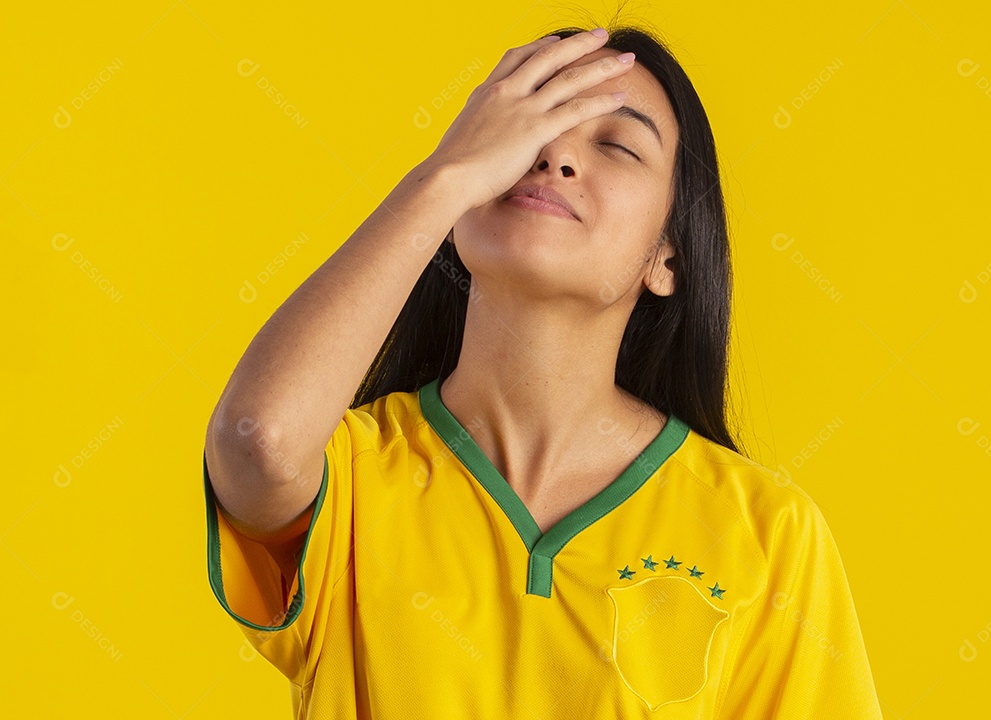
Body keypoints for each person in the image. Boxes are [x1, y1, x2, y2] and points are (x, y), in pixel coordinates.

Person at [202, 20, 884, 719]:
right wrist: (446, 176)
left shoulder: (766, 534)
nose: (554, 154)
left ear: (668, 259)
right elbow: (257, 437)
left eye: (616, 144)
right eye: (522, 130)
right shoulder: (353, 478)